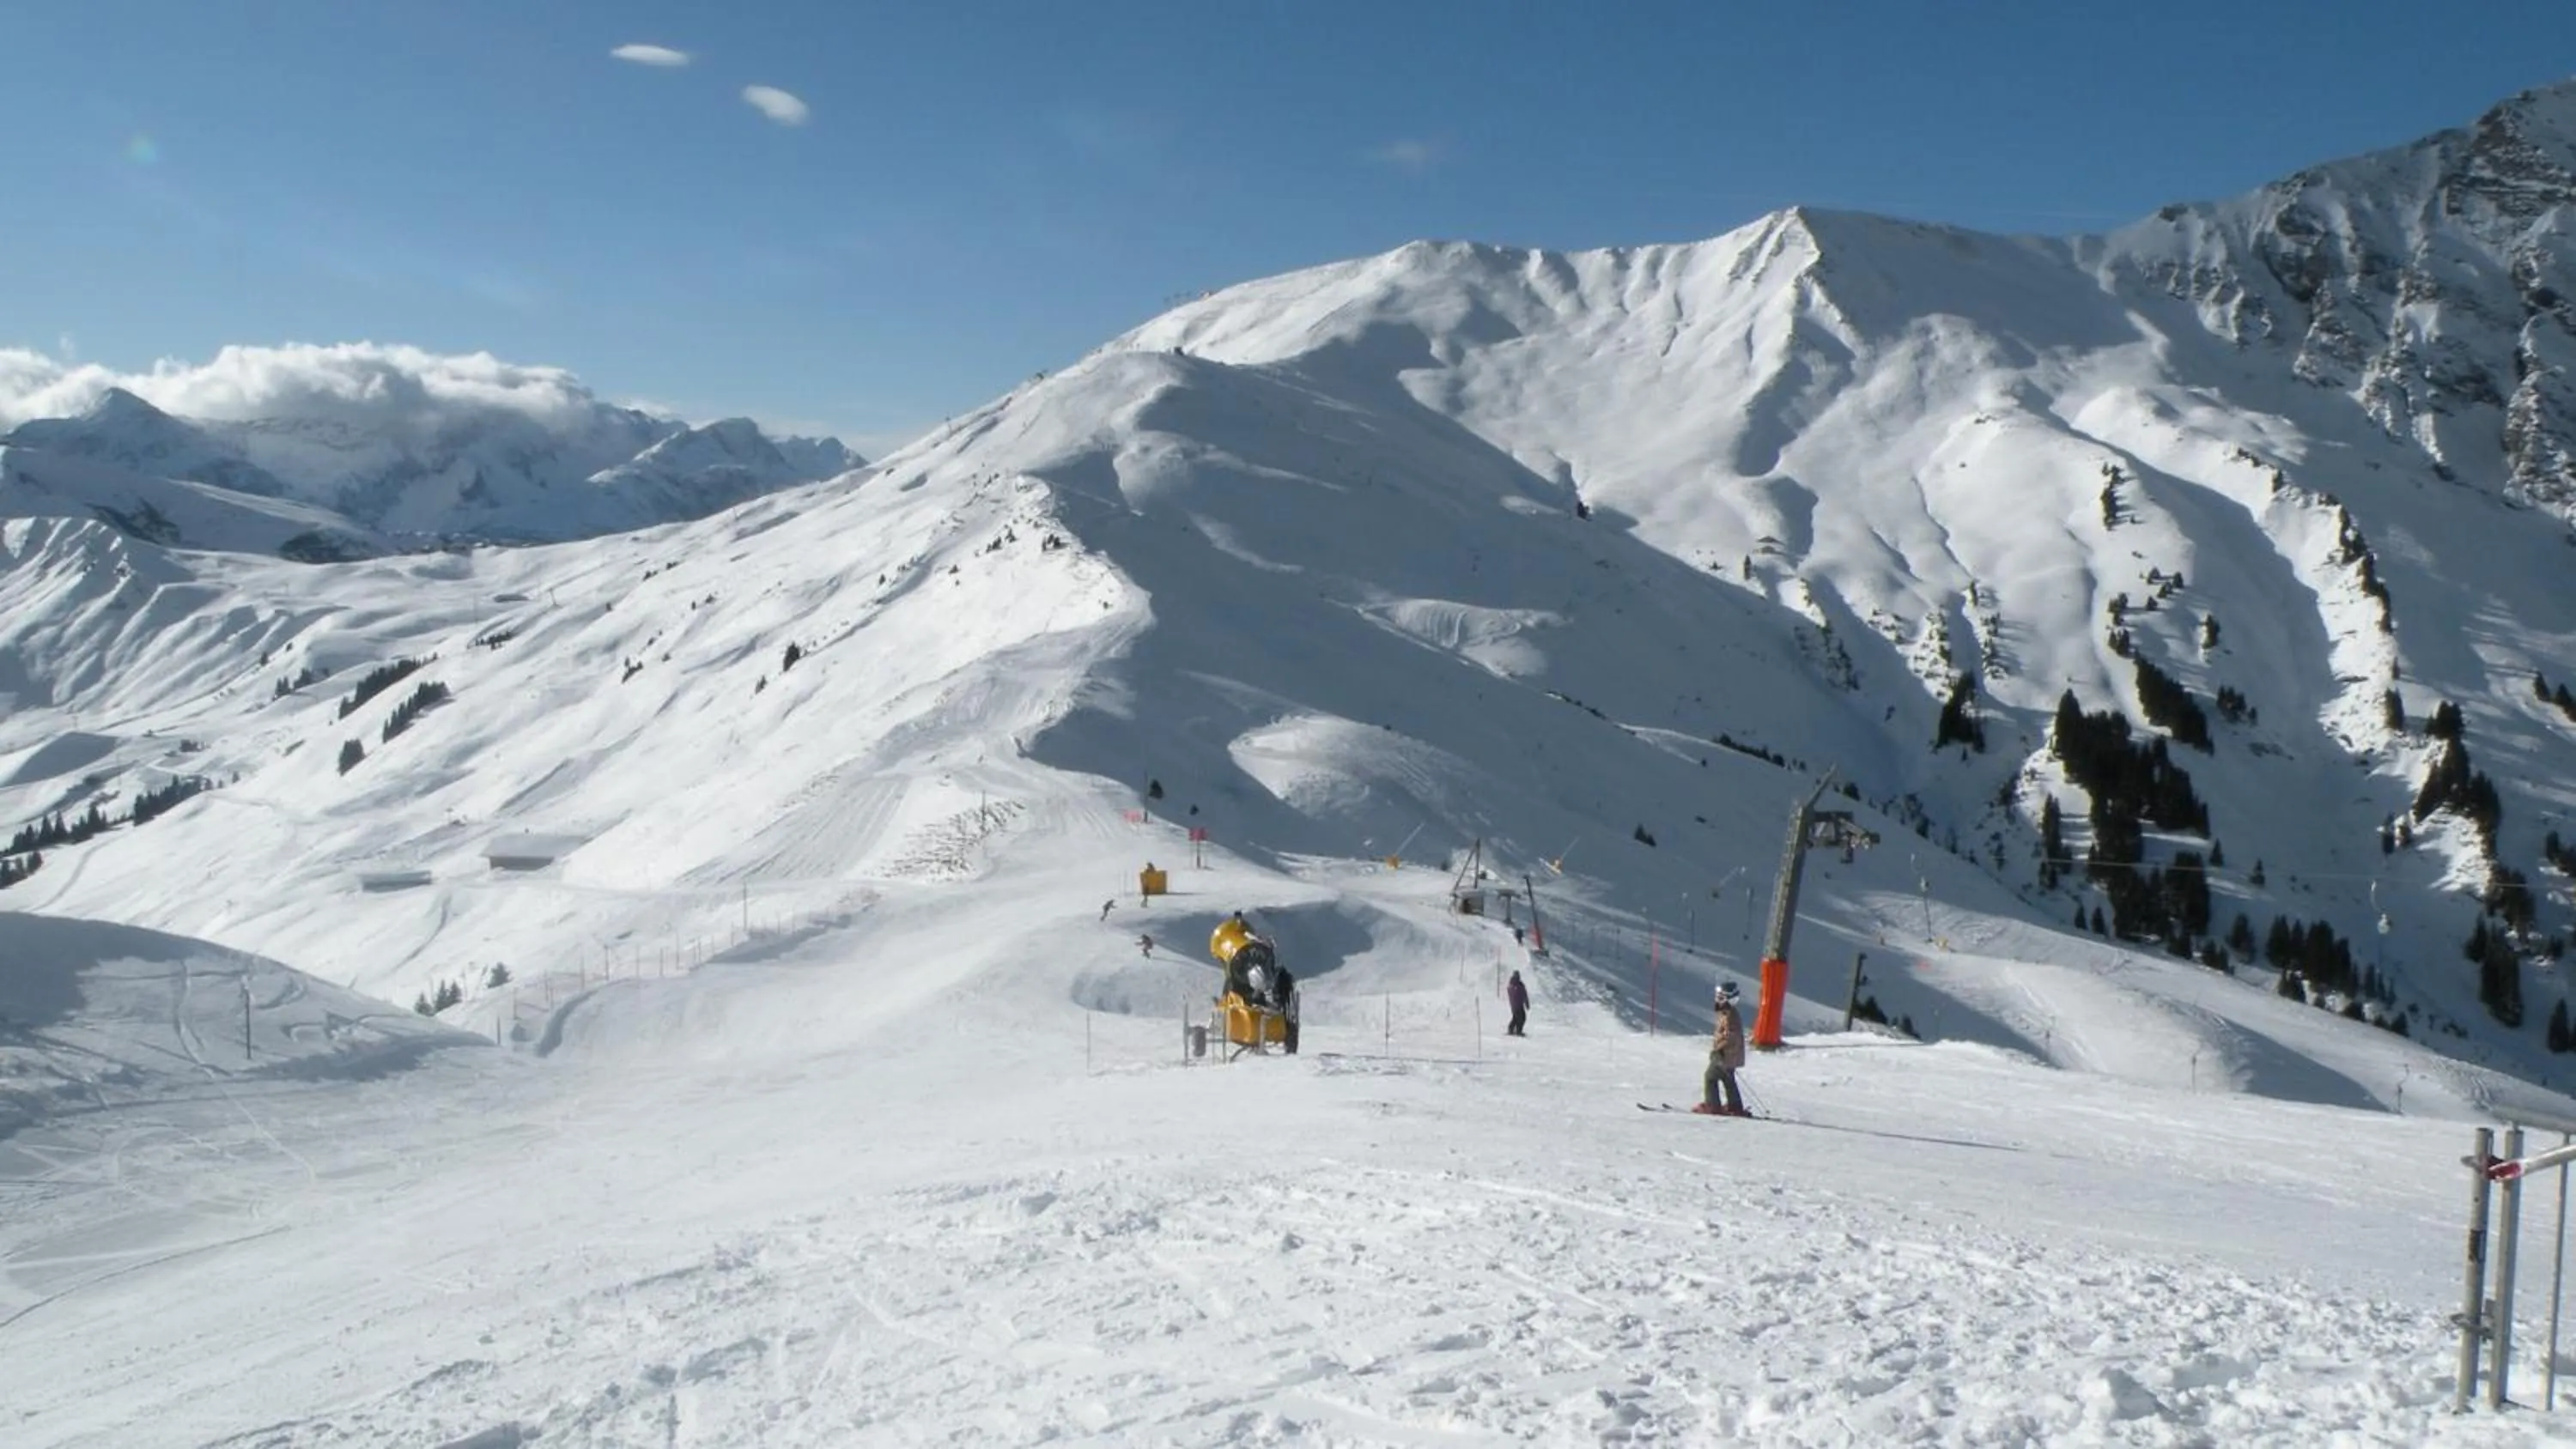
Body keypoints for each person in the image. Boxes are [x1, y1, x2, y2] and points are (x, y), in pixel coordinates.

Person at [1697, 982, 1748, 1116]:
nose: (1717, 1000)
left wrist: (1718, 1050)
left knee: (1710, 1077)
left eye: (1721, 998)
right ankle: (1735, 1106)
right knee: (1728, 1079)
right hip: (1730, 1056)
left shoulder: (1729, 1015)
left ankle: (1712, 1105)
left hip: (1725, 1055)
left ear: (1730, 999)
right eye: (1717, 997)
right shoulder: (1727, 1013)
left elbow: (1731, 1037)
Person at [1505, 970, 1529, 1036]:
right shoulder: (1513, 985)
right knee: (1521, 1018)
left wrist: (1526, 1003)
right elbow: (1513, 994)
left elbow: (1524, 994)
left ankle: (1513, 1029)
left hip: (1518, 1005)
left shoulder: (1519, 985)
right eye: (1516, 976)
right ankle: (1517, 1030)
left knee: (1517, 1018)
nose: (1518, 977)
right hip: (1516, 1005)